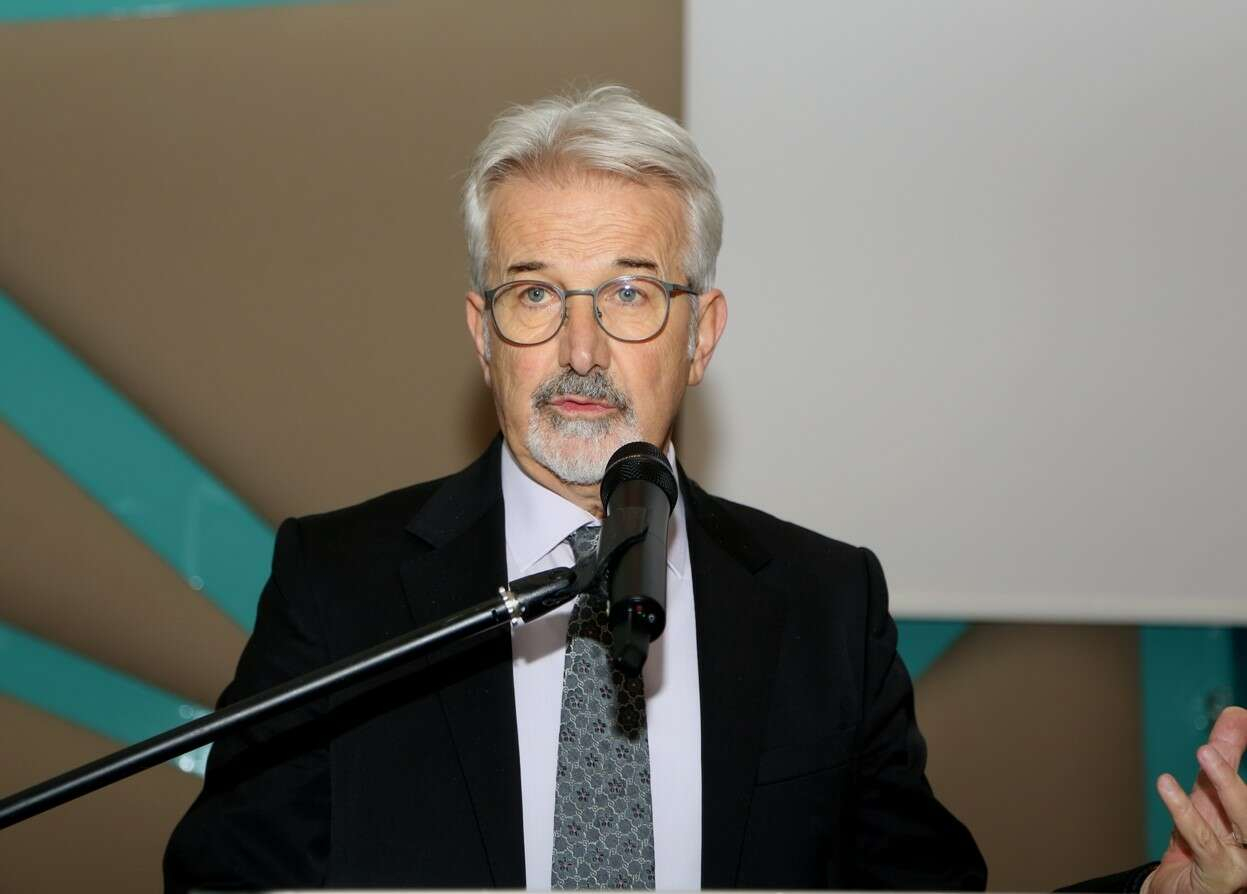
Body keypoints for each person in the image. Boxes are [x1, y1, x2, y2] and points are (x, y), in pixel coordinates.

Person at [164, 87, 1247, 892]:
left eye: (630, 293)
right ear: (482, 334)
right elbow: (221, 879)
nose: (580, 348)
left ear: (702, 335)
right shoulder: (342, 584)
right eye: (534, 294)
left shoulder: (823, 603)